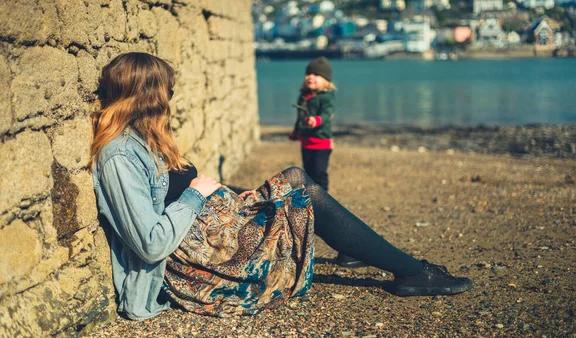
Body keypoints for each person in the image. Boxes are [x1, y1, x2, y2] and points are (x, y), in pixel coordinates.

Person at [91, 52, 472, 321]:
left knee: (295, 184)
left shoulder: (145, 139)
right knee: (301, 185)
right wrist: (197, 193)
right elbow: (150, 242)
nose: (171, 101)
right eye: (168, 93)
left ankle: (370, 255)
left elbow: (177, 190)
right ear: (151, 97)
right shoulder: (120, 156)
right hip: (208, 257)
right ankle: (409, 271)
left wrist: (226, 192)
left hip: (218, 228)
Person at [288, 57, 362, 268]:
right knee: (308, 172)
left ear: (326, 81)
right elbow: (300, 117)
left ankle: (322, 193)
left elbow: (327, 114)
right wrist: (296, 131)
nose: (311, 77)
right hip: (306, 142)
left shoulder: (327, 97)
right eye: (309, 74)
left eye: (317, 75)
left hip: (321, 143)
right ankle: (312, 191)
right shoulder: (304, 95)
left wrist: (316, 120)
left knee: (319, 172)